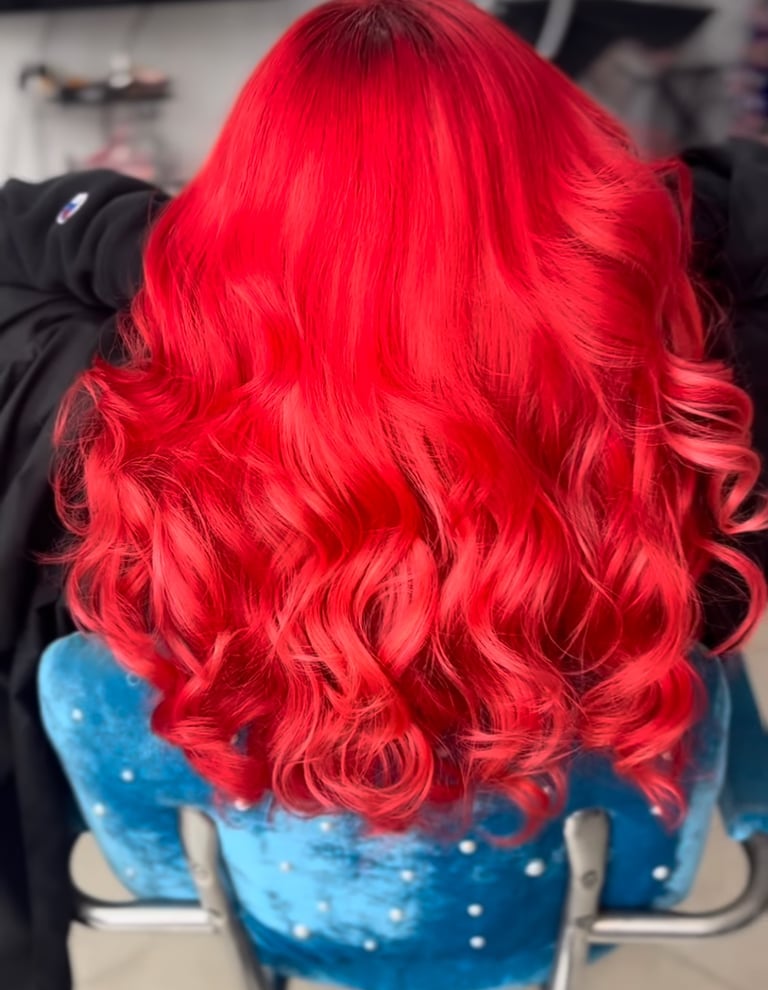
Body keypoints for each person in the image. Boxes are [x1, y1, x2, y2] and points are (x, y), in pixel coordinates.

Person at [1, 2, 768, 988]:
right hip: (576, 895)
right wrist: (613, 232)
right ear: (571, 181)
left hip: (249, 900)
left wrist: (180, 254)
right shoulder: (689, 406)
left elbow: (20, 225)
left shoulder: (122, 411)